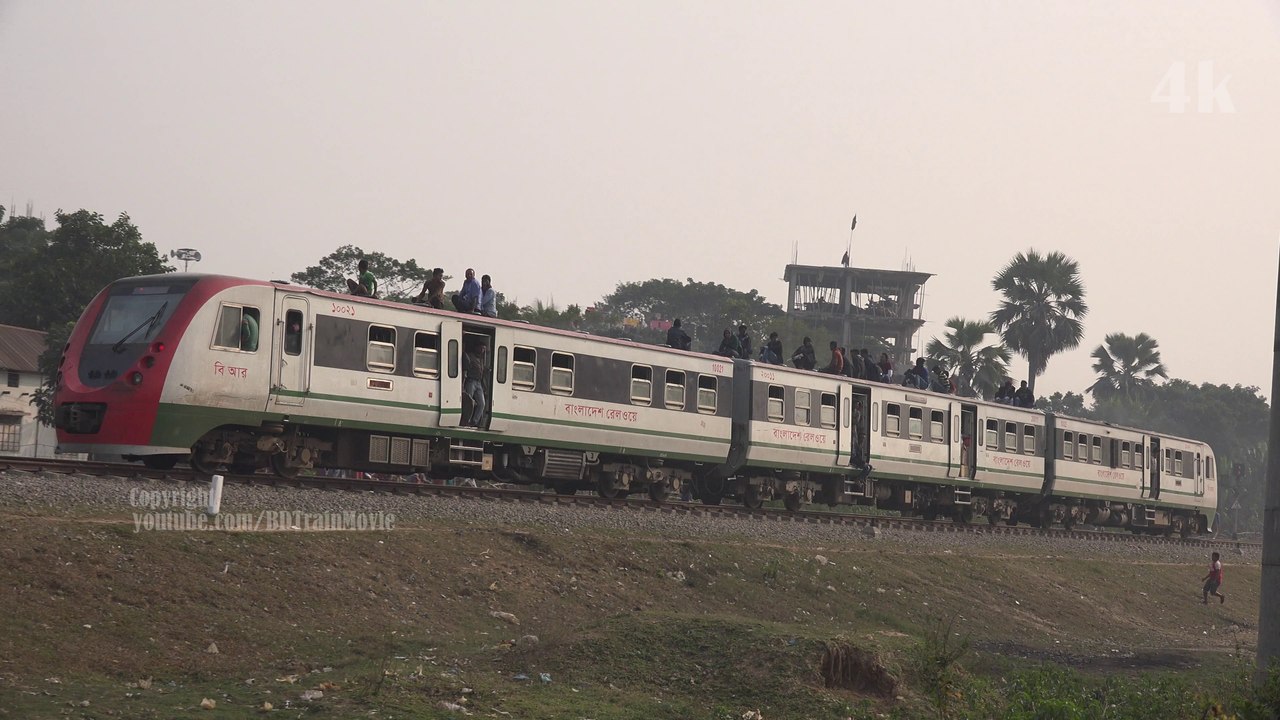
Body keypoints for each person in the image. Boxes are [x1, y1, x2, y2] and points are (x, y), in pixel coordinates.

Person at [462, 339, 488, 427]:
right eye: (481, 348)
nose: (482, 350)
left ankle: (475, 421)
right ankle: (466, 420)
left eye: (484, 349)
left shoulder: (482, 360)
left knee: (482, 403)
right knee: (468, 402)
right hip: (471, 381)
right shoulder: (470, 356)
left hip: (479, 383)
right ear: (476, 348)